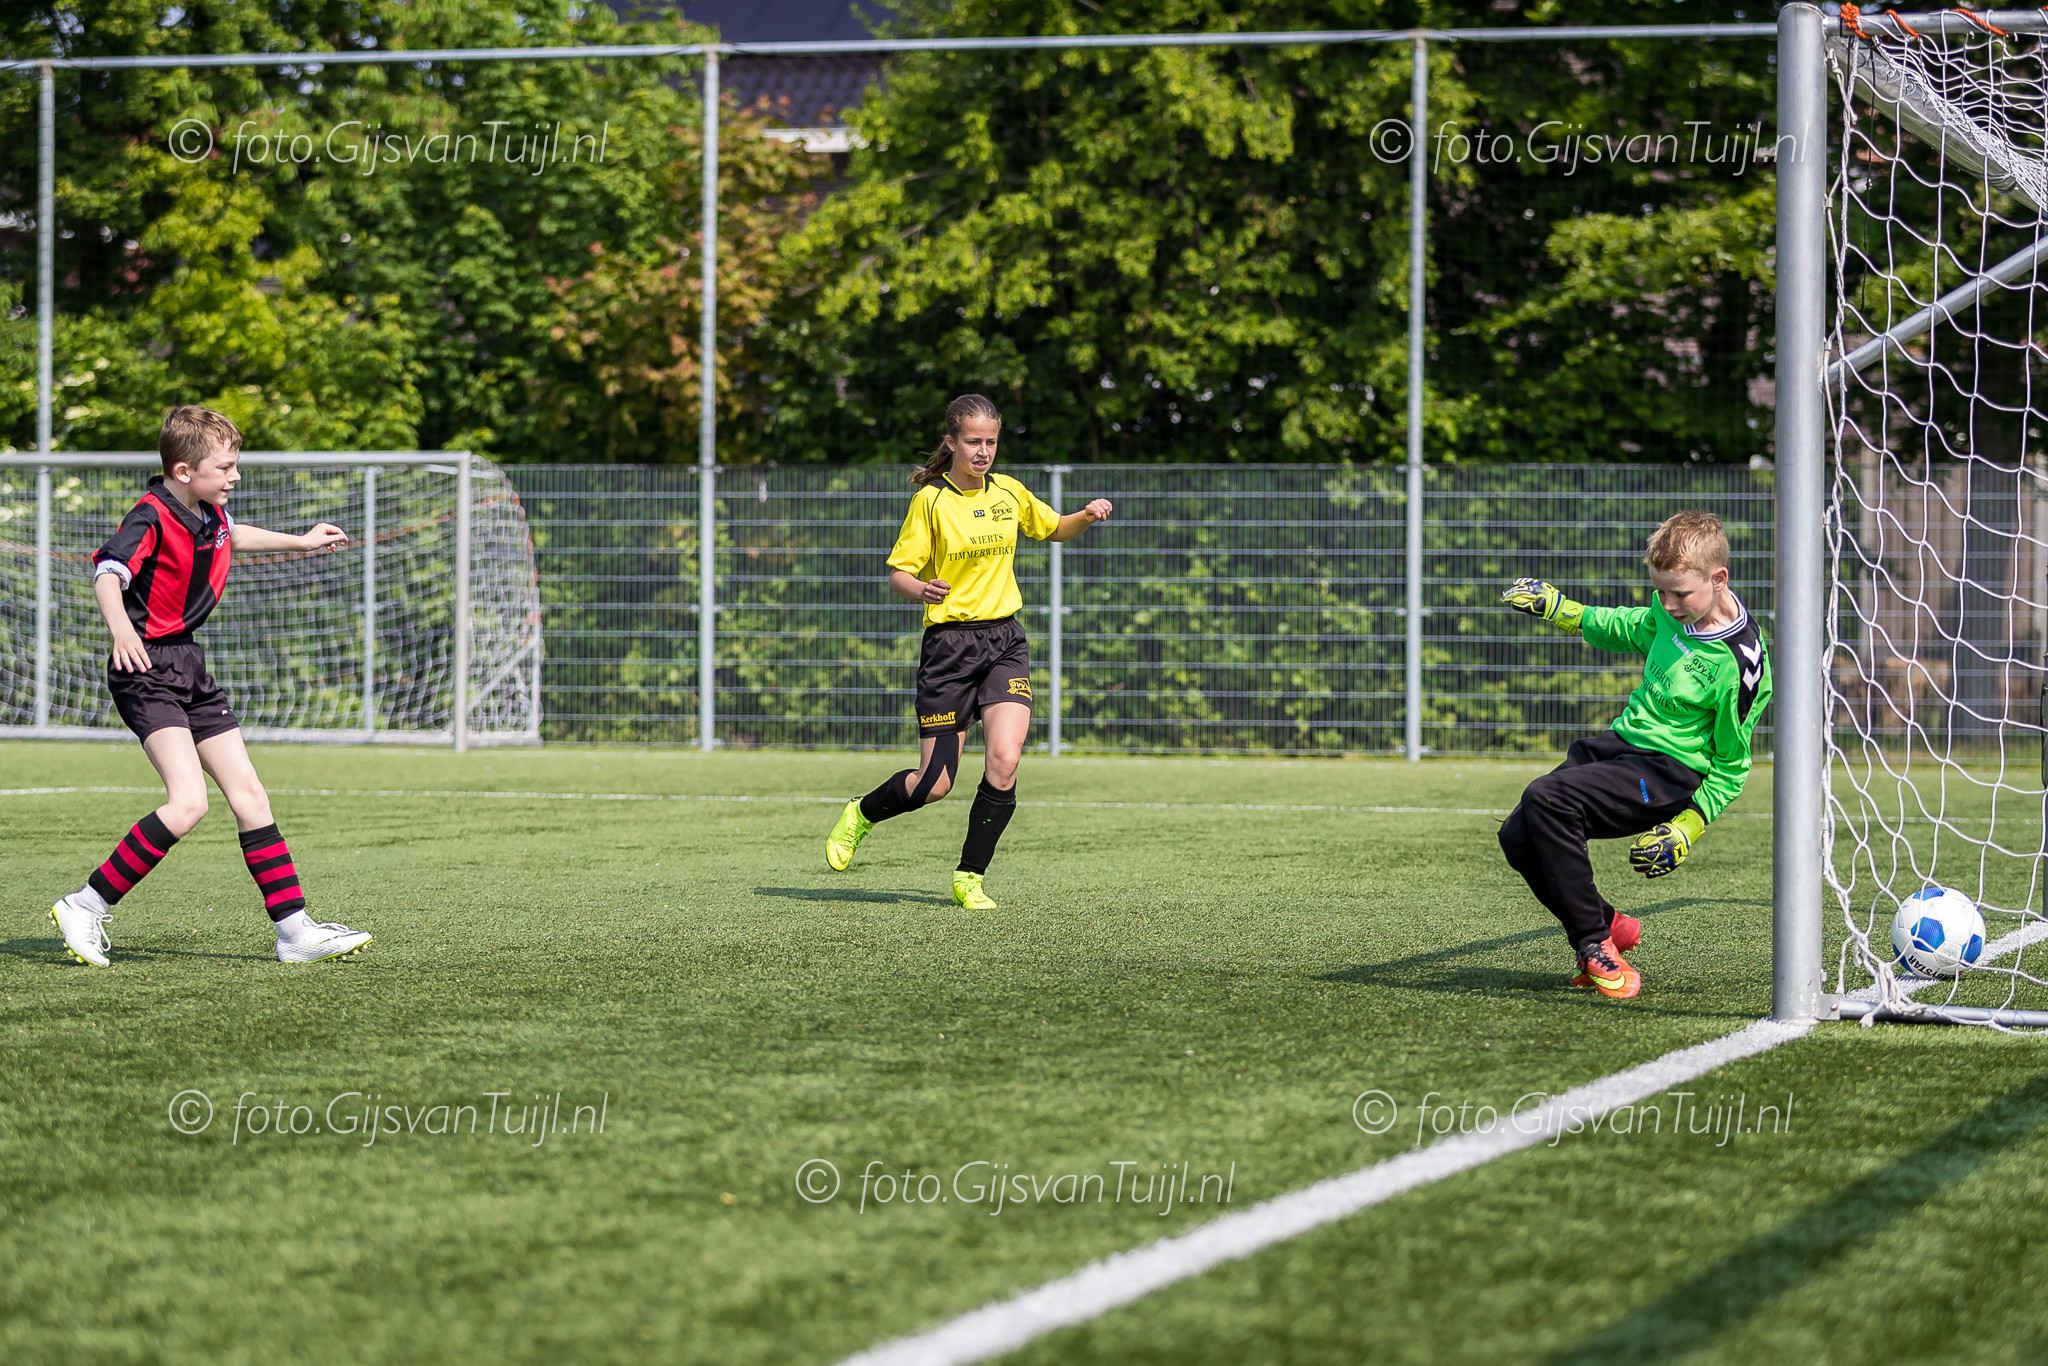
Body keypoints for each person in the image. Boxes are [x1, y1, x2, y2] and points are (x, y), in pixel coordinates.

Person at [46, 406, 374, 967]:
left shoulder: (210, 513)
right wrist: (122, 630)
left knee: (250, 795)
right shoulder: (149, 516)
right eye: (224, 467)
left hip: (188, 665)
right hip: (145, 670)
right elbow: (107, 572)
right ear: (183, 471)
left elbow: (232, 535)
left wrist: (300, 541)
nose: (234, 476)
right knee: (189, 802)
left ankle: (295, 932)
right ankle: (84, 904)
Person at [822, 394, 1113, 908]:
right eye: (974, 441)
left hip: (1004, 642)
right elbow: (898, 574)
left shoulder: (1009, 492)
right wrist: (922, 588)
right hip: (949, 650)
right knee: (933, 785)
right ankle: (861, 813)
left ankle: (969, 877)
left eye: (991, 442)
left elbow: (1054, 528)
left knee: (1005, 758)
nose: (983, 452)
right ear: (952, 442)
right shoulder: (930, 501)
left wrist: (1086, 516)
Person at [1497, 510, 1772, 999]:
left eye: (1679, 594)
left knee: (1547, 797)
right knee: (1517, 836)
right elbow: (1629, 625)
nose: (1667, 604)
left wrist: (1688, 827)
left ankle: (1594, 946)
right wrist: (1562, 609)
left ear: (1718, 578)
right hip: (1622, 744)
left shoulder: (1741, 667)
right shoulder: (1671, 612)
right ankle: (1610, 924)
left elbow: (1732, 764)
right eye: (1660, 592)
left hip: (1670, 772)